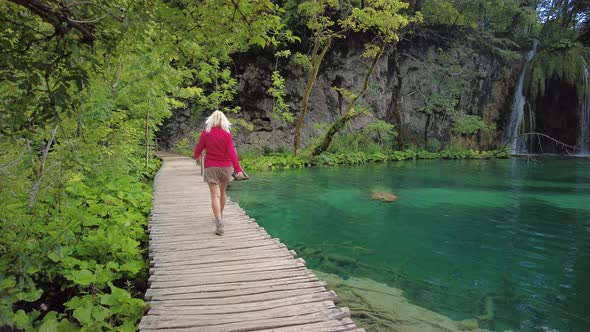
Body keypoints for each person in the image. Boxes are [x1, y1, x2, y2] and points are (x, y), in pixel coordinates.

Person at [194, 110, 245, 235]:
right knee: (222, 194)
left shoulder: (206, 133)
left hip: (211, 167)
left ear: (210, 120)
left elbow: (198, 150)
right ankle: (220, 216)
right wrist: (238, 169)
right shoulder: (227, 135)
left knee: (214, 196)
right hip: (226, 168)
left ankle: (218, 221)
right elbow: (232, 153)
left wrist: (197, 156)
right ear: (224, 121)